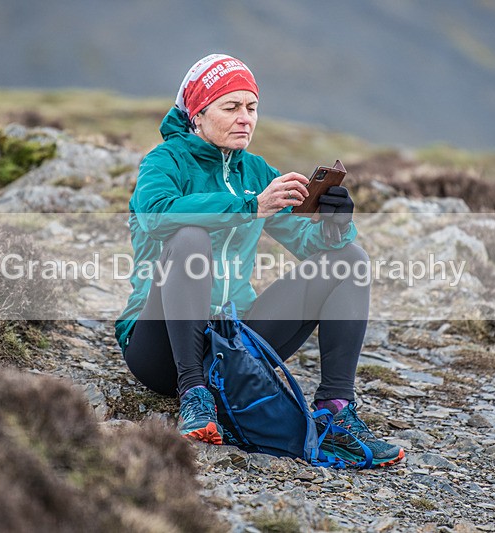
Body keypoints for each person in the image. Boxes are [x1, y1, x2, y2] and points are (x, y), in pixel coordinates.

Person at [114, 53, 404, 467]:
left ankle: (337, 411)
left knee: (349, 259)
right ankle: (194, 394)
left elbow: (311, 245)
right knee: (190, 239)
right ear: (197, 113)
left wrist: (334, 225)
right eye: (230, 107)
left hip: (232, 342)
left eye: (251, 108)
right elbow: (157, 215)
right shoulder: (165, 161)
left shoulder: (258, 171)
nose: (245, 118)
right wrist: (249, 205)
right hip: (159, 348)